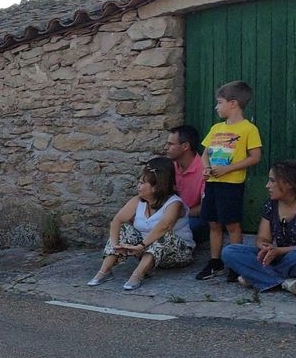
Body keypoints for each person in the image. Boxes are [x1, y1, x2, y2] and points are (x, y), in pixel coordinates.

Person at [86, 157, 195, 290]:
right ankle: (104, 271)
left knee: (164, 234)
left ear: (155, 187)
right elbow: (117, 221)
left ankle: (137, 275)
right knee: (124, 229)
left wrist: (140, 246)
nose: (138, 186)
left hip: (176, 253)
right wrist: (115, 245)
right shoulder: (138, 201)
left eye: (142, 183)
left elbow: (164, 226)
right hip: (145, 250)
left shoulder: (174, 203)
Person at [195, 80, 263, 281]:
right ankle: (215, 262)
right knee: (214, 223)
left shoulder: (248, 129)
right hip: (212, 183)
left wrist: (228, 169)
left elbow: (255, 157)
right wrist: (206, 168)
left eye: (219, 102)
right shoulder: (216, 128)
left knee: (232, 223)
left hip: (231, 184)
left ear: (233, 104)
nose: (216, 107)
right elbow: (205, 154)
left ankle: (236, 263)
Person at [221, 160, 296, 295]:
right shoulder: (271, 204)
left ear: (289, 183)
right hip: (278, 257)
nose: (267, 186)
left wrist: (279, 251)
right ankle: (285, 282)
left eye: (272, 181)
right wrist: (266, 247)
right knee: (230, 251)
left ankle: (259, 277)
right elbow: (263, 237)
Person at [164, 125, 207, 244]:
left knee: (190, 226)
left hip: (192, 218)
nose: (166, 147)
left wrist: (178, 213)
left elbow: (205, 207)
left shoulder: (204, 169)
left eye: (171, 144)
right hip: (168, 215)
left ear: (185, 146)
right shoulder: (168, 166)